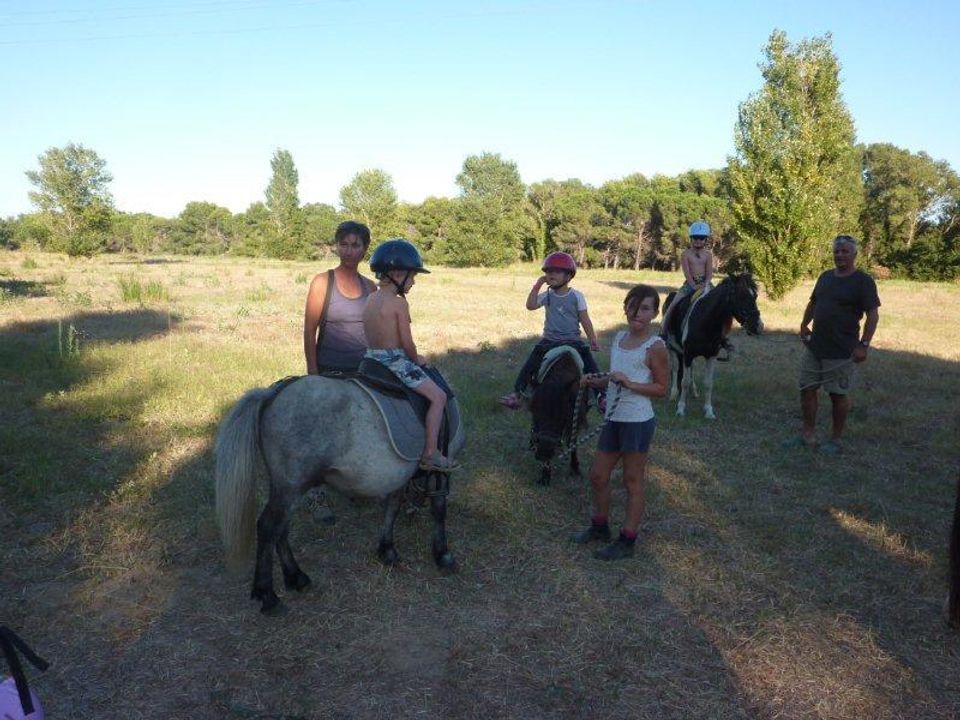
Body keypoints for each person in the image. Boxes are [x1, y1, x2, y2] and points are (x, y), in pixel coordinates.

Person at [570, 284, 668, 561]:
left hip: (637, 422)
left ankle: (627, 539)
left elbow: (661, 389)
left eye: (645, 308)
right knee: (598, 475)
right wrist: (593, 380)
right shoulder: (619, 338)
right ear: (625, 307)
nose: (637, 313)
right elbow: (615, 376)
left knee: (632, 479)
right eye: (632, 306)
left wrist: (631, 383)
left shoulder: (655, 347)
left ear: (654, 314)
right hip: (613, 419)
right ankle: (600, 526)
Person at [363, 239, 459, 472]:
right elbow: (407, 343)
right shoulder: (398, 304)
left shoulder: (371, 297)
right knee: (438, 397)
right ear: (397, 273)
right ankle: (430, 454)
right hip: (394, 361)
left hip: (369, 359)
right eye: (412, 275)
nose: (414, 281)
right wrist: (417, 360)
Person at [785, 234, 881, 454]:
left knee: (837, 394)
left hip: (842, 350)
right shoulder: (825, 277)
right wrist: (803, 324)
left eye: (845, 251)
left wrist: (864, 344)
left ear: (855, 254)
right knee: (806, 389)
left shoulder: (863, 281)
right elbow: (814, 302)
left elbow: (872, 315)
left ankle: (836, 440)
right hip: (816, 346)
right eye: (837, 251)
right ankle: (807, 435)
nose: (840, 255)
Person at [499, 252, 601, 410]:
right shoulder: (547, 295)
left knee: (590, 365)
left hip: (573, 341)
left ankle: (601, 397)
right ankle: (518, 394)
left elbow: (584, 318)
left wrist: (592, 338)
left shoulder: (576, 296)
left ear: (568, 276)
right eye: (549, 271)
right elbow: (530, 305)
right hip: (549, 341)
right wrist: (537, 285)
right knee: (531, 363)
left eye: (557, 271)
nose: (551, 274)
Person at [303, 221, 378, 374]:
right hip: (329, 370)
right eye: (343, 244)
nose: (348, 251)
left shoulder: (370, 287)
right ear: (337, 246)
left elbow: (375, 332)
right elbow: (309, 331)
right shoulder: (322, 282)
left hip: (363, 370)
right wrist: (312, 372)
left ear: (365, 249)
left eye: (355, 245)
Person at [660, 221, 732, 355]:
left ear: (706, 240)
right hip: (689, 284)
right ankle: (663, 332)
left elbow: (709, 273)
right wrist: (693, 285)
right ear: (691, 239)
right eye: (695, 238)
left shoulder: (708, 255)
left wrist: (705, 284)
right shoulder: (685, 254)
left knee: (721, 304)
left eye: (701, 238)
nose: (698, 241)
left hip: (705, 283)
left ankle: (722, 337)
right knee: (673, 304)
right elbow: (687, 272)